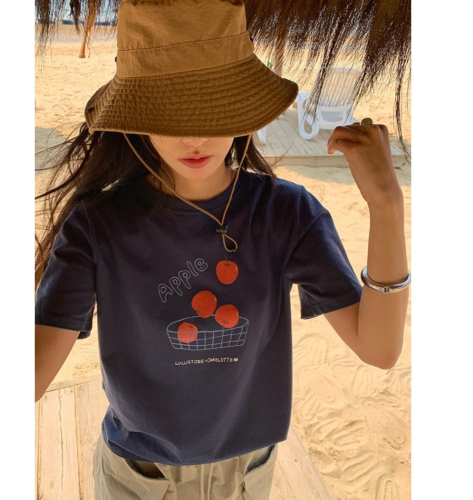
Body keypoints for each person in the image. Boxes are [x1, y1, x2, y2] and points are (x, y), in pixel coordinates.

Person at [35, 1, 410, 499]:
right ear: (135, 116)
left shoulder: (286, 214)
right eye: (168, 112)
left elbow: (379, 349)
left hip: (247, 475)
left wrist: (386, 208)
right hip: (138, 476)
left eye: (214, 106)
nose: (194, 136)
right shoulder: (97, 226)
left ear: (243, 106)